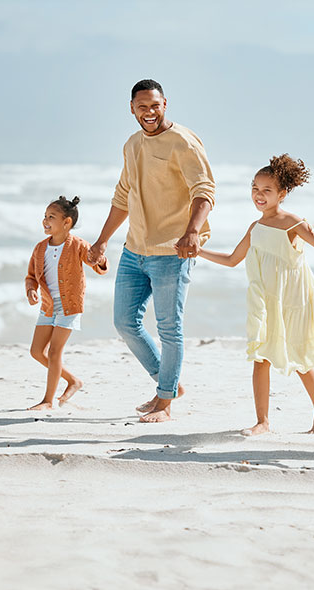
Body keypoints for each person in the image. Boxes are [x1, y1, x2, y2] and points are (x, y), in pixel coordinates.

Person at [198, 155, 314, 435]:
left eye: (266, 190)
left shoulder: (292, 223)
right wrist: (197, 251)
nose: (259, 195)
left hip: (292, 300)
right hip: (264, 301)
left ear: (282, 194)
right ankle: (262, 422)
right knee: (261, 357)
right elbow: (232, 259)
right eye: (255, 188)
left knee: (300, 356)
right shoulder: (255, 227)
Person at [87, 79, 217, 423]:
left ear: (165, 105)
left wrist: (192, 232)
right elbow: (122, 196)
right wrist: (101, 241)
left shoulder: (183, 142)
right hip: (134, 250)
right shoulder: (131, 145)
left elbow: (204, 192)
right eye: (142, 106)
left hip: (172, 252)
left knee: (169, 329)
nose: (149, 112)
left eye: (155, 105)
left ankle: (165, 403)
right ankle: (168, 383)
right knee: (124, 322)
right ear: (131, 108)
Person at [25, 196, 108, 410]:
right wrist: (31, 290)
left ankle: (47, 401)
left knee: (54, 352)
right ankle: (73, 381)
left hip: (69, 305)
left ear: (66, 222)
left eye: (51, 217)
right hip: (48, 305)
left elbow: (95, 263)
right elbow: (31, 276)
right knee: (36, 352)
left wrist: (100, 259)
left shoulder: (78, 245)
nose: (45, 220)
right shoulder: (40, 248)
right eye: (44, 216)